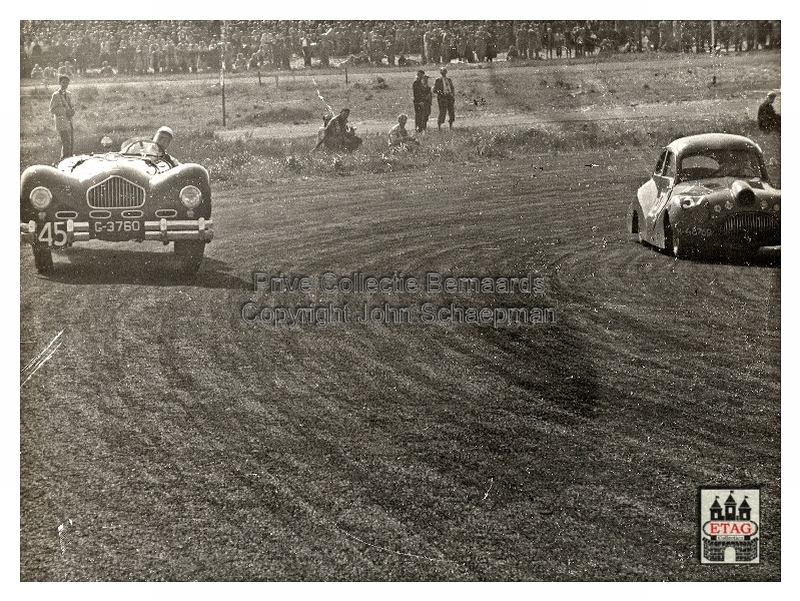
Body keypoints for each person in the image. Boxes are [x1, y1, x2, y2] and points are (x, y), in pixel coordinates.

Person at [49, 75, 74, 160]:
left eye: (67, 83)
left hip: (69, 121)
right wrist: (64, 112)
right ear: (60, 83)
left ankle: (69, 159)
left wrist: (72, 111)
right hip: (61, 121)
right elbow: (52, 109)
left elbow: (71, 106)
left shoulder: (69, 94)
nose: (65, 84)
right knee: (65, 141)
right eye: (63, 82)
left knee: (70, 142)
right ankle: (64, 159)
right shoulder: (56, 95)